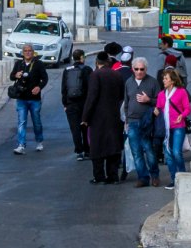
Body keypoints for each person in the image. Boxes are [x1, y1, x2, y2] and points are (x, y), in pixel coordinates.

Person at [81, 42, 127, 184]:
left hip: (98, 117)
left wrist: (85, 117)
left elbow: (92, 97)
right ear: (108, 62)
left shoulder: (95, 75)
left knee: (97, 146)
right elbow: (121, 96)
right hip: (114, 116)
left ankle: (99, 176)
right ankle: (112, 176)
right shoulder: (117, 75)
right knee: (113, 146)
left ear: (97, 62)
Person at [8, 43, 48, 155]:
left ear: (33, 52)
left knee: (36, 121)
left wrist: (39, 87)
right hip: (21, 97)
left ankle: (39, 141)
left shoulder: (38, 64)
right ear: (22, 52)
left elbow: (45, 78)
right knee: (21, 121)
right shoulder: (19, 64)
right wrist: (16, 75)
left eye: (30, 50)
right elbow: (11, 76)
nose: (27, 52)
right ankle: (21, 145)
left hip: (34, 98)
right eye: (25, 50)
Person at [125, 68, 161, 187]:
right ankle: (143, 178)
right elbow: (126, 103)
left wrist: (148, 100)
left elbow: (160, 101)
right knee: (136, 152)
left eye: (142, 69)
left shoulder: (153, 82)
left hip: (147, 122)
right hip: (132, 122)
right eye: (136, 69)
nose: (139, 71)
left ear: (146, 69)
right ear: (133, 69)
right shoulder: (128, 82)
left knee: (149, 150)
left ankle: (154, 176)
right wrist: (126, 120)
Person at [157, 65, 191, 187]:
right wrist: (156, 110)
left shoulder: (181, 92)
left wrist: (181, 115)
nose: (163, 81)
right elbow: (159, 108)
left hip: (178, 127)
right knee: (168, 154)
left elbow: (188, 109)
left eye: (165, 78)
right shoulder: (161, 94)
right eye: (163, 78)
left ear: (172, 80)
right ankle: (174, 179)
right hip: (166, 128)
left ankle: (182, 176)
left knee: (176, 152)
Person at [60, 49, 92, 161]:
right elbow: (90, 88)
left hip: (70, 103)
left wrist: (65, 103)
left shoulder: (67, 70)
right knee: (85, 127)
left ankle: (79, 151)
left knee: (75, 128)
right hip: (84, 103)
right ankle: (88, 150)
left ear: (73, 58)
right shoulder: (87, 69)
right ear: (82, 58)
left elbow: (64, 88)